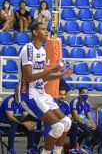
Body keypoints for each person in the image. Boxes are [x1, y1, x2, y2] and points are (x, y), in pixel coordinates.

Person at [19, 22, 73, 154]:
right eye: (43, 29)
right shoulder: (28, 49)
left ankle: (58, 152)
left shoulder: (42, 51)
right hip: (29, 96)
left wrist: (61, 74)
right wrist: (51, 70)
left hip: (41, 93)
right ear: (35, 32)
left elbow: (42, 78)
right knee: (58, 127)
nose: (46, 31)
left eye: (46, 29)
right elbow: (29, 77)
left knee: (66, 122)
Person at [0, 85, 37, 154]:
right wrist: (23, 123)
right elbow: (10, 117)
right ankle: (10, 150)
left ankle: (31, 148)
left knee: (31, 126)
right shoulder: (9, 100)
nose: (20, 92)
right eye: (19, 91)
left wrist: (28, 122)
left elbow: (25, 115)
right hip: (2, 121)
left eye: (22, 91)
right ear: (15, 91)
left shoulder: (23, 101)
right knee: (13, 125)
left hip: (16, 121)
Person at [70, 87, 102, 154]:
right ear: (79, 94)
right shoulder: (75, 101)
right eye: (83, 93)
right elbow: (75, 117)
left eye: (87, 93)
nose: (85, 94)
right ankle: (76, 145)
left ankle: (87, 146)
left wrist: (92, 123)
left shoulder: (88, 103)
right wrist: (88, 125)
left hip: (85, 122)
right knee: (87, 130)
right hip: (76, 122)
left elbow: (89, 117)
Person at [58, 86, 81, 154]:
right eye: (60, 94)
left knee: (74, 124)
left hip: (63, 123)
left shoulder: (65, 104)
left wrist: (71, 119)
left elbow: (70, 116)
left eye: (64, 94)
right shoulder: (53, 103)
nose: (62, 96)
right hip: (53, 123)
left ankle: (72, 149)